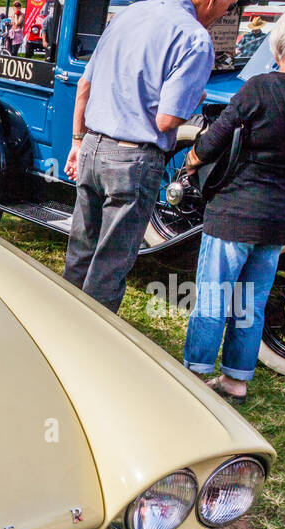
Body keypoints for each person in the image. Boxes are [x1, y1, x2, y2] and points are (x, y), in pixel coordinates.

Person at [181, 1, 285, 402]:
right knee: (250, 304)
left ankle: (195, 378)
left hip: (234, 212)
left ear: (281, 36)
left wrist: (193, 158)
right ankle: (236, 380)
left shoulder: (259, 88)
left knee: (214, 300)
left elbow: (214, 139)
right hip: (277, 217)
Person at [62, 0, 231, 313]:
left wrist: (77, 141)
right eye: (229, 6)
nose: (226, 13)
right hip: (132, 159)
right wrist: (195, 98)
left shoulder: (129, 13)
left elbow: (85, 84)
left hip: (93, 146)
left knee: (80, 253)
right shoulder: (194, 37)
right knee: (109, 267)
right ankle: (88, 345)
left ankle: (59, 327)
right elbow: (166, 121)